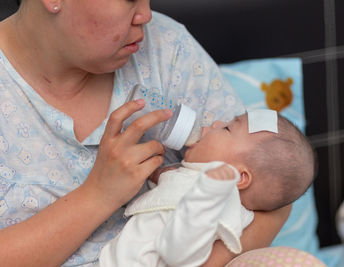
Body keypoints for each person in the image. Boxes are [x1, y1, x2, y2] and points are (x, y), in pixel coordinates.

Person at [0, 0, 291, 266]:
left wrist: (200, 262)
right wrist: (98, 195)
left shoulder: (165, 47)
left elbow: (276, 176)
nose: (146, 14)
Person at [99, 111, 315, 266]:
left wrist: (206, 196)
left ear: (239, 177)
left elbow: (177, 254)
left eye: (227, 128)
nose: (215, 122)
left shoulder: (217, 205)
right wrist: (161, 178)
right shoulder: (193, 180)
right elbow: (166, 203)